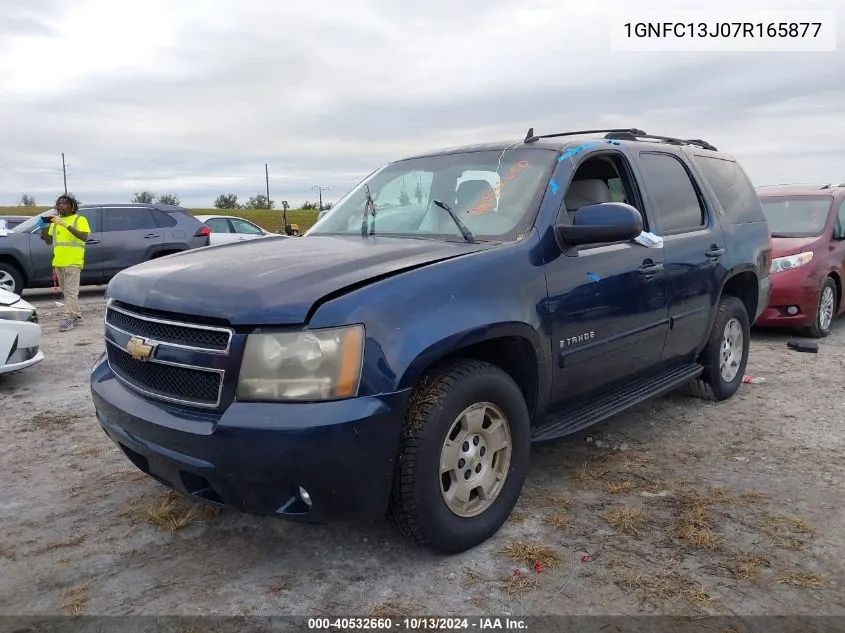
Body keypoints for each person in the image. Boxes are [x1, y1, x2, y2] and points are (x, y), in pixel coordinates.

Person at [40, 195, 90, 331]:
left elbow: (84, 237)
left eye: (63, 203)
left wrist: (66, 225)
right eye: (58, 203)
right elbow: (48, 241)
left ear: (71, 206)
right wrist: (44, 227)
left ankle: (68, 318)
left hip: (73, 262)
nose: (60, 205)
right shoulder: (56, 222)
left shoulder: (80, 219)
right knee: (67, 292)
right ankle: (77, 316)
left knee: (71, 292)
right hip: (58, 262)